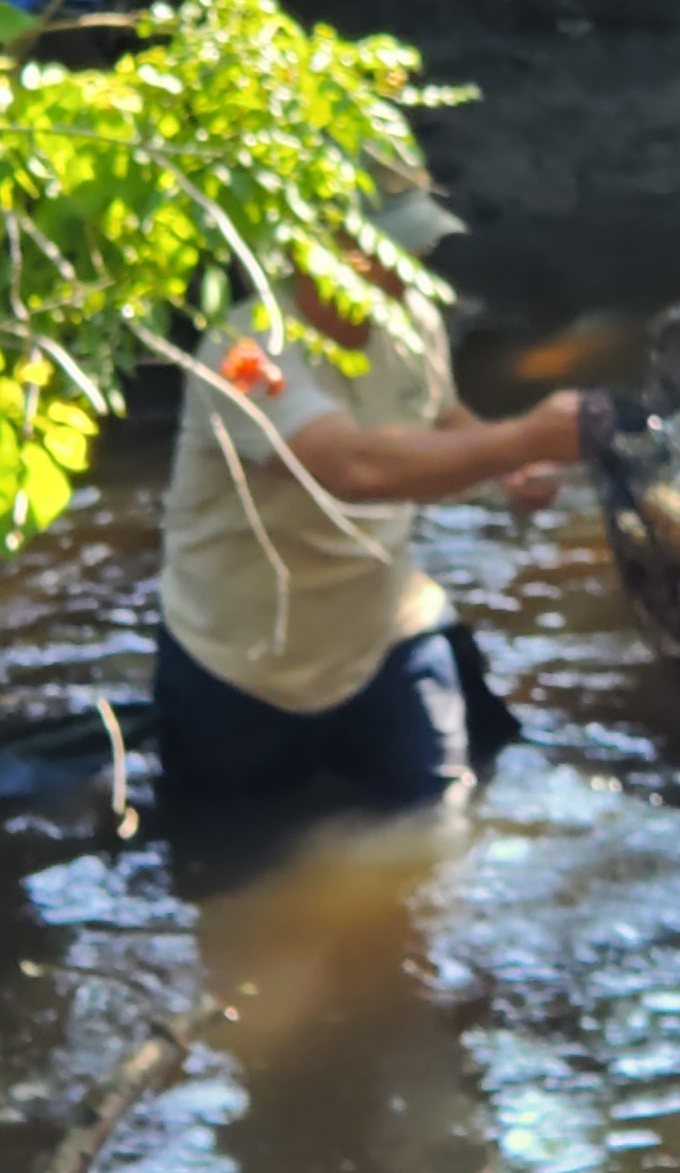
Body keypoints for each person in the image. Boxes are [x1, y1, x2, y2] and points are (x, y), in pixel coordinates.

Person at [153, 173, 590, 808]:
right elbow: (347, 468)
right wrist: (524, 439)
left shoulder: (412, 320)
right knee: (228, 863)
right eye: (381, 252)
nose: (403, 270)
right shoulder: (242, 352)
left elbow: (439, 413)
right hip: (239, 668)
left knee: (437, 826)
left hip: (386, 639)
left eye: (412, 251)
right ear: (309, 250)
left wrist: (507, 475)